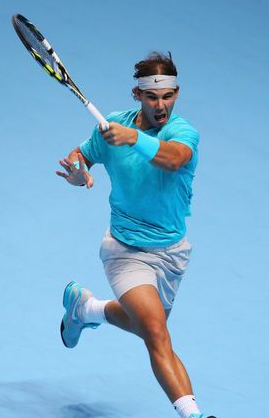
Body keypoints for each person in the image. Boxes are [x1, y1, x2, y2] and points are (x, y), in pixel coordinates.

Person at [55, 52, 215, 418]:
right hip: (125, 250)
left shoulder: (183, 132)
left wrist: (132, 139)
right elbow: (81, 154)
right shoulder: (112, 126)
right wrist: (79, 172)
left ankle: (86, 309)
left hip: (172, 252)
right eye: (153, 97)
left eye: (169, 96)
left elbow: (173, 158)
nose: (161, 106)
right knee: (157, 333)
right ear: (137, 95)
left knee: (145, 325)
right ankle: (193, 415)